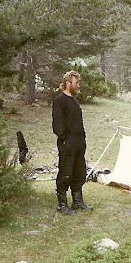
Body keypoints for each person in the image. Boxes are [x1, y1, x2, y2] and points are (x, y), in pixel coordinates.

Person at [52, 70, 93, 215]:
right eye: (76, 83)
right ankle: (62, 204)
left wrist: (81, 140)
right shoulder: (60, 100)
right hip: (67, 143)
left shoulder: (74, 101)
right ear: (68, 83)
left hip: (79, 143)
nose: (78, 86)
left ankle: (77, 202)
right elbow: (57, 124)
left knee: (79, 172)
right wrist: (64, 139)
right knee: (65, 172)